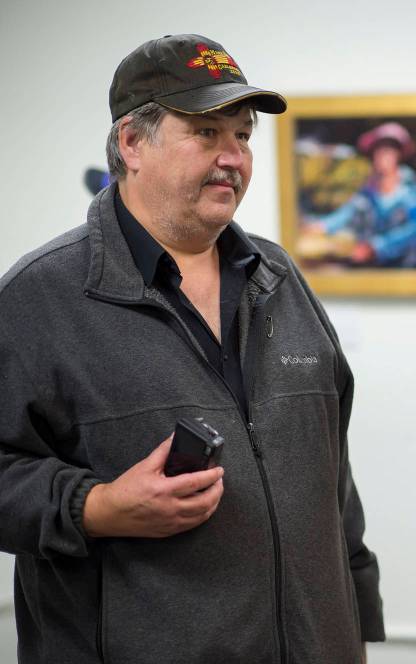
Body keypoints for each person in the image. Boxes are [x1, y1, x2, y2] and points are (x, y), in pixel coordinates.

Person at [0, 34, 383, 663]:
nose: (233, 157)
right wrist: (93, 506)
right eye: (207, 134)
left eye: (243, 135)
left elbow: (331, 472)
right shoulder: (40, 298)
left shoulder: (280, 278)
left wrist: (357, 621)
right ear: (132, 144)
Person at [318, 121, 416, 267]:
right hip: (374, 264)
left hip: (407, 266)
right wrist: (322, 225)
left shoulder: (412, 188)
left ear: (399, 155)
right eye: (378, 151)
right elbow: (348, 212)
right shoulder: (369, 190)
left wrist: (377, 247)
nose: (382, 156)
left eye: (388, 151)